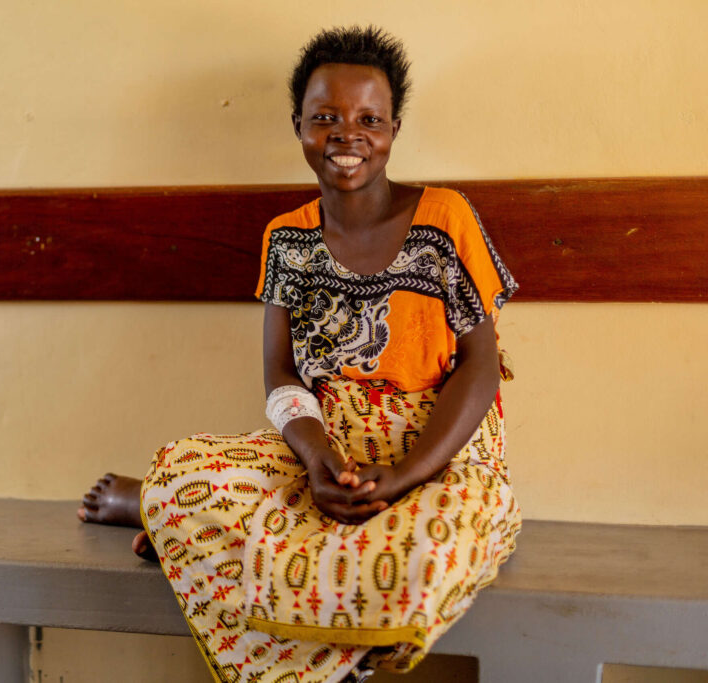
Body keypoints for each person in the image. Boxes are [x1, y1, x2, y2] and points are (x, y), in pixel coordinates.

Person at [79, 26, 521, 682]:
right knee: (181, 474)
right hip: (327, 439)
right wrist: (318, 461)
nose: (348, 135)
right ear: (299, 126)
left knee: (453, 532)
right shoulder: (286, 240)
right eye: (326, 118)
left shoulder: (446, 218)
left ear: (394, 129)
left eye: (369, 118)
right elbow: (281, 375)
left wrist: (404, 475)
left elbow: (480, 369)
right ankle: (160, 504)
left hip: (439, 446)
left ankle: (280, 592)